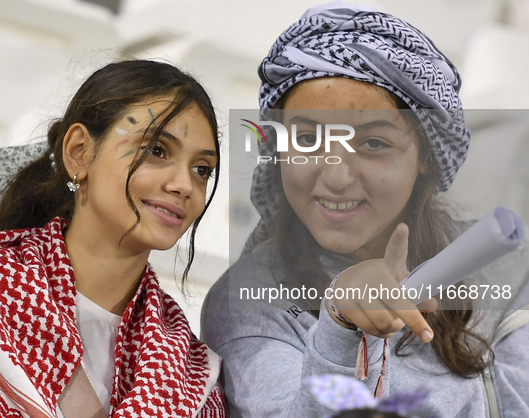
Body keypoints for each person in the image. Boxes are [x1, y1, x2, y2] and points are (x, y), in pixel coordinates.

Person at [201, 3, 529, 418]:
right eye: (307, 139)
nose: (337, 177)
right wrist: (339, 325)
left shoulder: (508, 270)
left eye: (373, 143)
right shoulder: (247, 305)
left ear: (425, 156)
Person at [0, 60, 228, 417]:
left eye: (201, 170)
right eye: (156, 150)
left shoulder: (192, 374)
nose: (184, 185)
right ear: (79, 152)